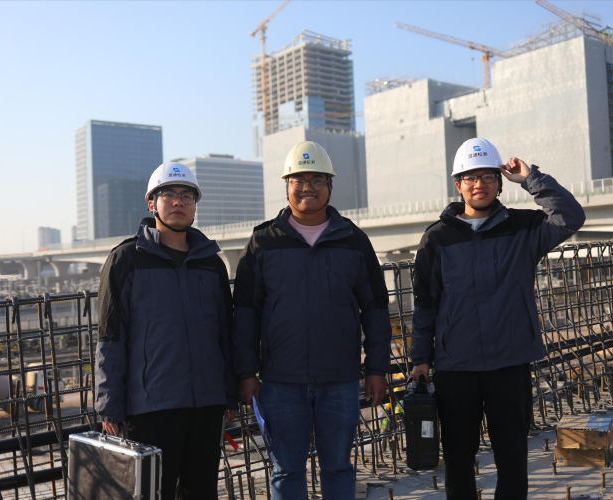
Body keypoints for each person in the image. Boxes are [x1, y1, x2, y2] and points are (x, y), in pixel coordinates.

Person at [410, 138, 585, 500]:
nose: (480, 184)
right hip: (456, 366)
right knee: (458, 457)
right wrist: (420, 359)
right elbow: (425, 304)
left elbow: (570, 216)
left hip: (509, 362)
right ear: (458, 184)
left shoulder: (523, 228)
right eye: (470, 178)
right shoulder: (436, 239)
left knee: (512, 455)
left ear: (500, 181)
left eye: (488, 176)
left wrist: (531, 178)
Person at [232, 141, 392, 500]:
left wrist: (378, 369)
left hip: (340, 379)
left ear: (329, 186)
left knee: (338, 467)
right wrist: (246, 372)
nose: (308, 188)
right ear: (286, 186)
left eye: (317, 180)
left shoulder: (353, 240)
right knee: (286, 470)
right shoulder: (263, 242)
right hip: (280, 380)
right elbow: (245, 313)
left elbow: (376, 309)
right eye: (299, 180)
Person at [95, 162, 237, 499]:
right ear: (151, 203)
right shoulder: (126, 259)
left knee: (201, 491)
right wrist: (109, 404)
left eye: (187, 196)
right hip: (151, 406)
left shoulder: (211, 263)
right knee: (155, 492)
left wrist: (228, 394)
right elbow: (111, 336)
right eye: (168, 194)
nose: (178, 202)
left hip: (207, 403)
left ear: (195, 205)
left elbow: (225, 334)